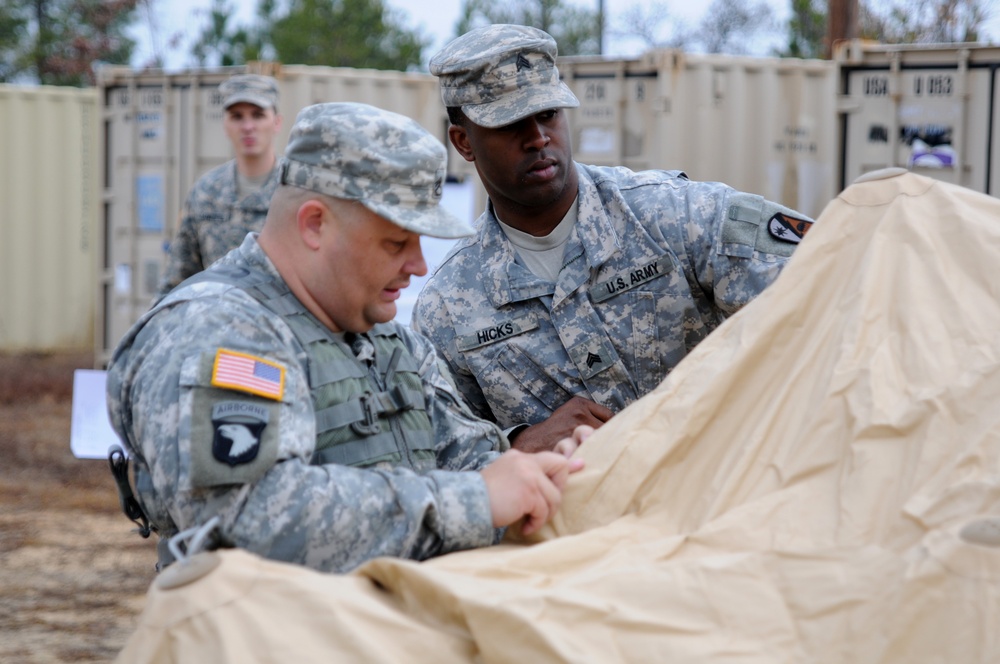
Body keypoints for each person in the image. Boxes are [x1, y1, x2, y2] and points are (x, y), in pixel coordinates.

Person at [107, 102, 585, 574]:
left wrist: (541, 471)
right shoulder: (215, 332)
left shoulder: (390, 342)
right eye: (396, 243)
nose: (418, 266)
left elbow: (469, 461)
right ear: (315, 224)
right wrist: (474, 502)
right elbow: (244, 519)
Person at [412, 24, 816, 453]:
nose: (538, 138)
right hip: (590, 518)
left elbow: (827, 279)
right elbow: (437, 460)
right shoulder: (448, 308)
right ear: (463, 142)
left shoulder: (675, 216)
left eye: (548, 114)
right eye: (511, 124)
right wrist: (518, 447)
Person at [156, 74, 283, 297]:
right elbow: (177, 280)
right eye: (237, 117)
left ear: (277, 122)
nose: (248, 126)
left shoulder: (295, 189)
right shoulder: (206, 192)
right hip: (218, 326)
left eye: (258, 115)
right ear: (225, 124)